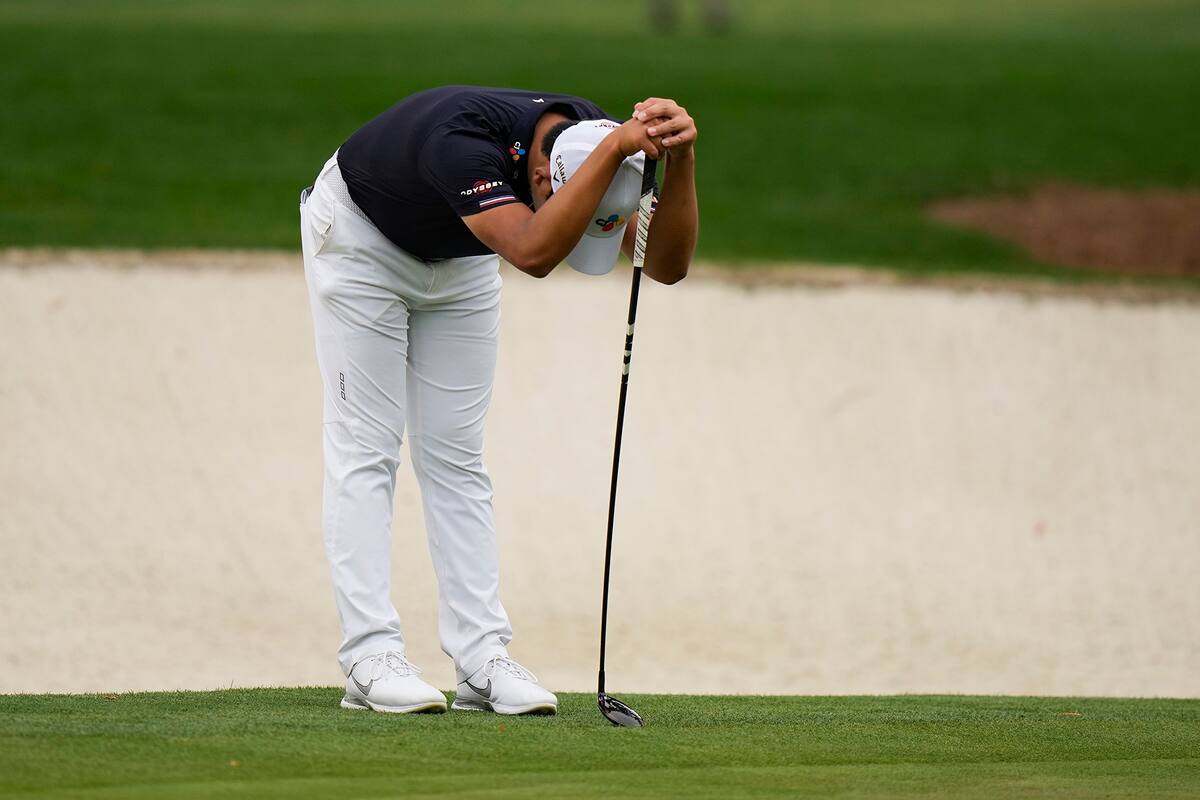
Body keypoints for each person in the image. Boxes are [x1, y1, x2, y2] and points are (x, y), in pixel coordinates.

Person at [298, 85, 699, 715]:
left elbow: (666, 265)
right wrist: (616, 148)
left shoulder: (597, 145)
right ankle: (369, 656)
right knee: (367, 447)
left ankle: (481, 658)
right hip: (362, 241)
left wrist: (679, 159)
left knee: (456, 456)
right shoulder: (462, 144)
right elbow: (533, 252)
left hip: (463, 252)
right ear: (541, 178)